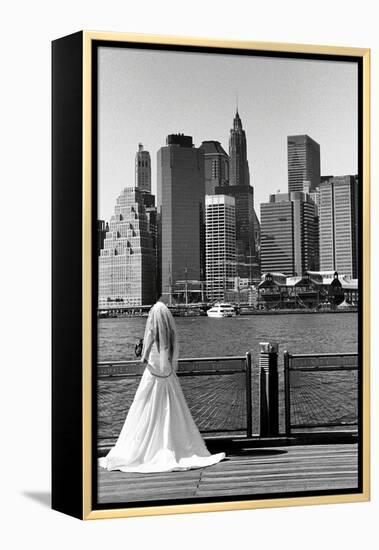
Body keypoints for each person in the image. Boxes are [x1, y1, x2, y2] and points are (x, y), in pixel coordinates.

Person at [99, 301, 225, 473]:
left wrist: (141, 348)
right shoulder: (171, 333)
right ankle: (174, 445)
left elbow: (143, 359)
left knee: (146, 412)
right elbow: (171, 357)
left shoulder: (151, 332)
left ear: (153, 317)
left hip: (152, 378)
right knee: (173, 413)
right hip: (168, 377)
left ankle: (149, 448)